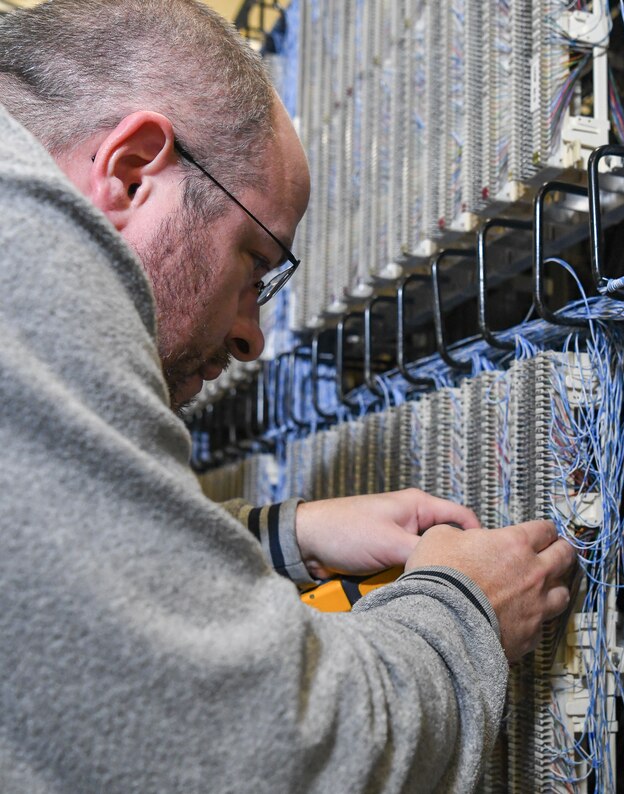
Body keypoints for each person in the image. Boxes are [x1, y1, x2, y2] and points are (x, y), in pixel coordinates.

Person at [0, 0, 575, 791]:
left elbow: (43, 574)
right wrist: (464, 609)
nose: (250, 338)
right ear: (132, 171)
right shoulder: (25, 255)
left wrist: (279, 537)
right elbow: (267, 752)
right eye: (253, 265)